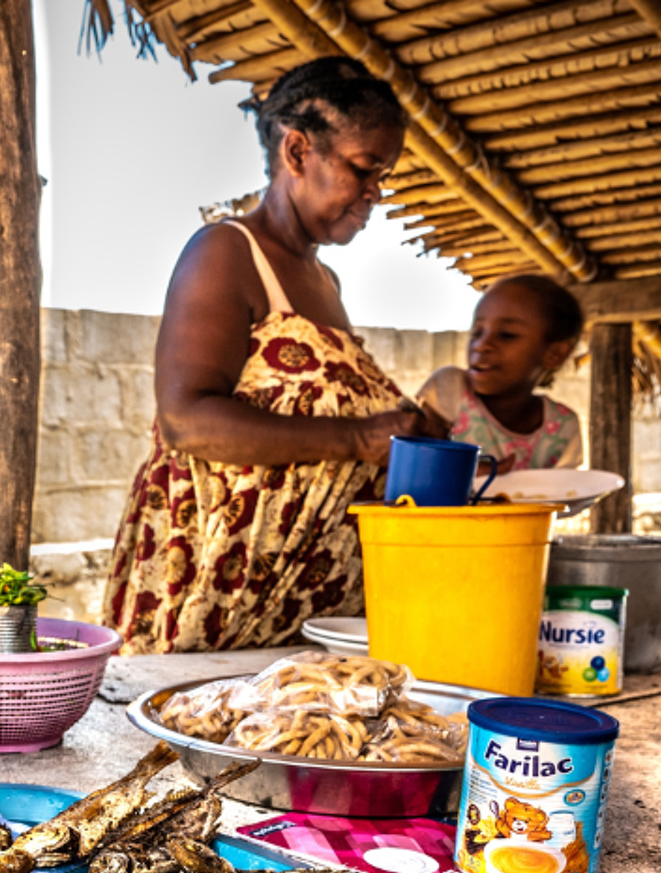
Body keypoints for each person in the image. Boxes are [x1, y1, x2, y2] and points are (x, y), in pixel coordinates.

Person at [103, 58, 444, 655]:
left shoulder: (325, 283)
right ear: (296, 152)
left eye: (384, 174)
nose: (376, 192)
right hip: (210, 609)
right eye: (365, 168)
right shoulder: (226, 252)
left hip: (298, 624)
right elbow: (187, 420)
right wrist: (363, 439)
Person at [417, 275, 586, 472]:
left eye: (506, 335)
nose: (481, 346)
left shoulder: (562, 426)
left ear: (554, 354)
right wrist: (469, 472)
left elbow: (564, 494)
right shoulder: (450, 390)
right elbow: (418, 464)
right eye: (477, 332)